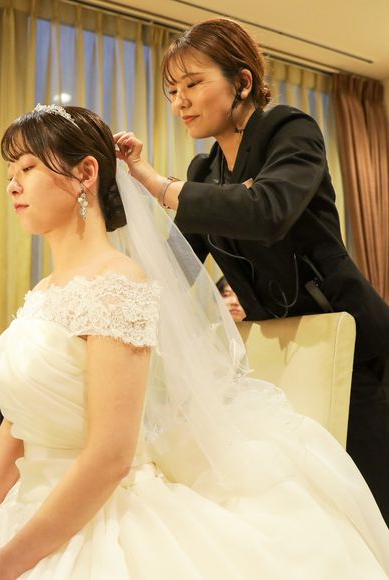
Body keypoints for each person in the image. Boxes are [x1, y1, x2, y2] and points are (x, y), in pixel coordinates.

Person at [0, 104, 389, 580]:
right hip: (20, 508)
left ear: (86, 173)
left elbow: (110, 457)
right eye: (11, 172)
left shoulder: (119, 286)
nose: (13, 184)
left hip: (100, 513)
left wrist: (2, 565)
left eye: (28, 167)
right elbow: (17, 420)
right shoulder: (44, 290)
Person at [114, 17, 389, 523]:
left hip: (351, 343)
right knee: (311, 502)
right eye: (172, 91)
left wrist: (156, 183)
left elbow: (267, 211)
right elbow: (177, 266)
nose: (179, 102)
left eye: (193, 84)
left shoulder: (289, 131)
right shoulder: (205, 172)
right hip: (280, 350)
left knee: (370, 498)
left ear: (242, 82)